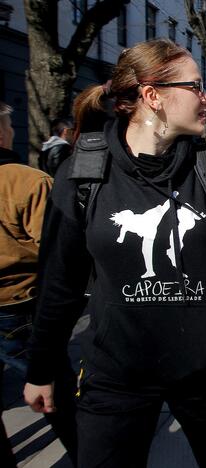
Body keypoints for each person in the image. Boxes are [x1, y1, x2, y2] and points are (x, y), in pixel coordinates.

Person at [23, 39, 206, 468]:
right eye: (196, 87)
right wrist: (41, 367)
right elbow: (59, 282)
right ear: (152, 96)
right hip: (115, 378)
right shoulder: (83, 172)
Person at [0, 103, 78, 467]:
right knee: (58, 398)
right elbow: (58, 254)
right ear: (3, 132)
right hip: (20, 307)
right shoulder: (25, 182)